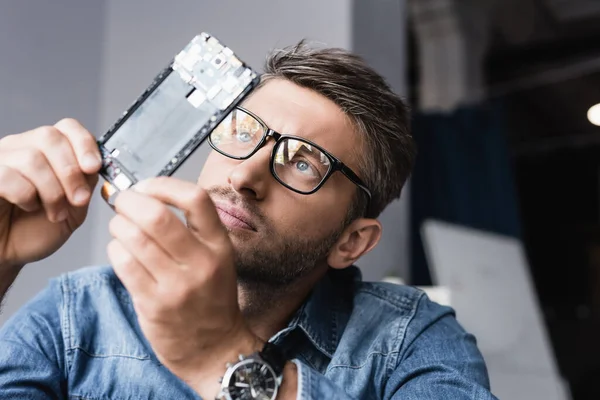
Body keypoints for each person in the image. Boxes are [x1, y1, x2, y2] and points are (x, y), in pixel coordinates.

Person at [0, 42, 496, 400]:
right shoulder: (76, 312)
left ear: (351, 241)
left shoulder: (409, 339)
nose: (245, 175)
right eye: (243, 132)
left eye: (305, 163)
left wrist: (223, 360)